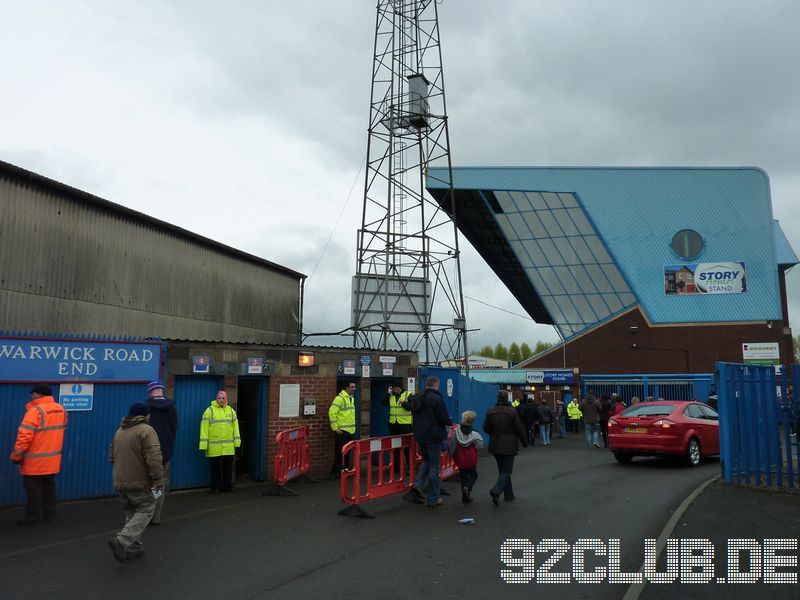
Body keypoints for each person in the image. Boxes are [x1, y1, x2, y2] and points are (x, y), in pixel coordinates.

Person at [108, 402, 164, 563]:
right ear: (145, 415)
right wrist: (158, 480)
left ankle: (134, 547)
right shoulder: (147, 430)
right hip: (140, 482)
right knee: (145, 511)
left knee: (131, 515)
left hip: (120, 482)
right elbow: (154, 458)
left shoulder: (120, 431)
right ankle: (122, 541)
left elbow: (112, 456)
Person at [10, 384, 67, 526]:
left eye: (33, 394)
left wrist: (17, 456)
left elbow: (24, 436)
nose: (31, 396)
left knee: (33, 491)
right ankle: (49, 514)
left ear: (40, 395)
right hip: (52, 460)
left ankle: (34, 517)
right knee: (49, 488)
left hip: (34, 461)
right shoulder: (61, 409)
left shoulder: (35, 411)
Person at [411, 376, 452, 507]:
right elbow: (444, 417)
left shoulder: (418, 397)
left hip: (420, 435)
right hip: (433, 436)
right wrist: (449, 421)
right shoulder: (436, 399)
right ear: (436, 385)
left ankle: (417, 485)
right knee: (434, 466)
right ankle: (433, 498)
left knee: (426, 461)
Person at [484, 390, 527, 506]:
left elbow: (486, 428)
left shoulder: (491, 411)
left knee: (502, 470)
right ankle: (496, 491)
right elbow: (519, 429)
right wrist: (524, 442)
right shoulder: (512, 411)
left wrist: (494, 433)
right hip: (509, 444)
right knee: (507, 471)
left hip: (495, 443)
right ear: (507, 398)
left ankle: (509, 494)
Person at [144, 380, 178, 525]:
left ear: (151, 392)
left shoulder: (146, 407)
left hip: (148, 451)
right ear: (161, 391)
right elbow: (175, 427)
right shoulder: (172, 407)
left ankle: (145, 514)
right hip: (164, 451)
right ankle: (156, 517)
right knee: (159, 483)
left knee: (146, 482)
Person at [199, 390, 241, 493]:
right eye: (219, 398)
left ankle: (226, 486)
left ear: (226, 399)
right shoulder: (209, 411)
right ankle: (216, 487)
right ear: (216, 399)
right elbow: (204, 428)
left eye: (223, 398)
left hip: (228, 447)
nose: (221, 400)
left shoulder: (231, 411)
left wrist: (237, 443)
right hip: (214, 447)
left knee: (228, 468)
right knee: (215, 469)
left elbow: (236, 428)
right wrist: (203, 444)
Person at [448, 410, 483, 504]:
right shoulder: (474, 433)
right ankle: (468, 487)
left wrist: (450, 455)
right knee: (473, 475)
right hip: (471, 458)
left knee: (463, 477)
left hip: (460, 458)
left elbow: (452, 445)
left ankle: (465, 497)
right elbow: (479, 445)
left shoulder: (456, 432)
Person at [329, 382, 357, 479]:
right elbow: (332, 412)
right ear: (347, 388)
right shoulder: (339, 398)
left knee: (347, 453)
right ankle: (335, 472)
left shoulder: (351, 398)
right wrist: (335, 428)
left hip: (350, 431)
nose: (354, 389)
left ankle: (344, 472)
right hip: (342, 431)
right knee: (340, 453)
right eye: (352, 387)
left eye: (354, 387)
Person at [385, 380, 412, 475]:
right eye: (393, 388)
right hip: (393, 424)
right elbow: (383, 403)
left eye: (396, 388)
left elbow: (412, 407)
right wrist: (388, 394)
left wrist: (404, 403)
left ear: (400, 387)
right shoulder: (391, 396)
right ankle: (396, 468)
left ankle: (409, 468)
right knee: (395, 448)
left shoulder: (408, 395)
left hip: (404, 425)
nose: (395, 389)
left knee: (407, 448)